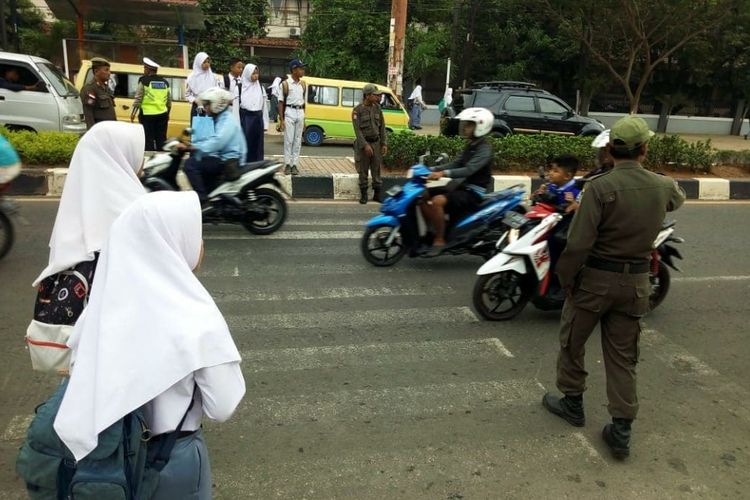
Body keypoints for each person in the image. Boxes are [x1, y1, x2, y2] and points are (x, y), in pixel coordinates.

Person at [53, 190, 245, 499]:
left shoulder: (100, 308)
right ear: (169, 241)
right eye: (195, 234)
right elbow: (222, 406)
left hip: (104, 457)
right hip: (171, 459)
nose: (202, 244)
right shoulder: (195, 314)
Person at [542, 115, 686, 460]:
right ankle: (621, 429)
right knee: (623, 356)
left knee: (573, 341)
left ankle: (573, 404)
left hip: (595, 281)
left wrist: (565, 277)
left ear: (609, 149)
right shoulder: (662, 186)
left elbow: (578, 243)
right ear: (645, 150)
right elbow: (676, 199)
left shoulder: (599, 188)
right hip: (636, 284)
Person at [32, 121, 146, 301]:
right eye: (138, 151)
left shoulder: (76, 202)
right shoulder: (136, 205)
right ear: (118, 154)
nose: (143, 160)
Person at [420, 107, 494, 256]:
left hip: (474, 192)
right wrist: (431, 169)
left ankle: (440, 239)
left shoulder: (484, 149)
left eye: (469, 125)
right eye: (465, 124)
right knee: (421, 194)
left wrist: (443, 173)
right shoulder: (471, 145)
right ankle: (433, 229)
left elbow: (468, 169)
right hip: (461, 187)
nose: (465, 128)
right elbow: (456, 163)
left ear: (480, 126)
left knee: (438, 201)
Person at [182, 88, 247, 206]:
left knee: (190, 164)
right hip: (222, 157)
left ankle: (202, 200)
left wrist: (195, 147)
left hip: (228, 161)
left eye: (208, 105)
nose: (206, 108)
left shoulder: (227, 120)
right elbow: (209, 138)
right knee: (198, 161)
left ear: (217, 104)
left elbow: (217, 142)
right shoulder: (220, 118)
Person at [352, 83, 388, 204]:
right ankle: (364, 195)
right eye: (375, 95)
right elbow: (357, 130)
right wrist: (365, 145)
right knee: (363, 170)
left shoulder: (377, 108)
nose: (378, 97)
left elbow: (382, 127)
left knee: (376, 169)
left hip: (376, 143)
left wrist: (384, 143)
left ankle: (377, 194)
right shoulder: (357, 110)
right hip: (364, 145)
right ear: (367, 96)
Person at [130, 58, 172, 151]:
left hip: (147, 116)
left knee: (148, 139)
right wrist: (168, 114)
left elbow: (138, 99)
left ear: (148, 70)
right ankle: (161, 161)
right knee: (161, 139)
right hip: (162, 115)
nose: (144, 71)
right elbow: (169, 102)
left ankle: (149, 160)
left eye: (145, 69)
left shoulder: (144, 81)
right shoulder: (165, 82)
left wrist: (133, 113)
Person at [278, 59, 307, 175]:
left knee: (298, 140)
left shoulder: (303, 84)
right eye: (300, 68)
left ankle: (295, 164)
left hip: (300, 112)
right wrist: (281, 120)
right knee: (289, 140)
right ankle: (287, 164)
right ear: (294, 70)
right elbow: (280, 102)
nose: (303, 71)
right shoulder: (285, 84)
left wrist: (304, 119)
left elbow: (304, 103)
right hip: (289, 111)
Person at [239, 63, 269, 163]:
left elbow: (264, 106)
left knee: (258, 145)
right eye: (253, 74)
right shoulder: (240, 88)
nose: (256, 76)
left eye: (257, 73)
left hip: (258, 119)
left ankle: (257, 166)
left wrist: (265, 123)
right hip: (246, 119)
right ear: (247, 74)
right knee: (246, 144)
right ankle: (245, 166)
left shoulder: (260, 88)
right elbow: (236, 107)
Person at [80, 57, 116, 129]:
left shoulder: (105, 88)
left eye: (109, 70)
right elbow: (88, 114)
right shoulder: (90, 89)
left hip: (109, 129)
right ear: (96, 71)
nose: (109, 73)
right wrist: (92, 133)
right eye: (106, 70)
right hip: (100, 130)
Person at [186, 52, 221, 119]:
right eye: (204, 62)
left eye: (208, 62)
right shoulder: (191, 77)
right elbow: (187, 94)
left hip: (210, 107)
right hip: (198, 106)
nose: (207, 64)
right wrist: (196, 101)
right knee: (198, 124)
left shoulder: (213, 77)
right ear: (199, 63)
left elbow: (217, 92)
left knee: (209, 126)